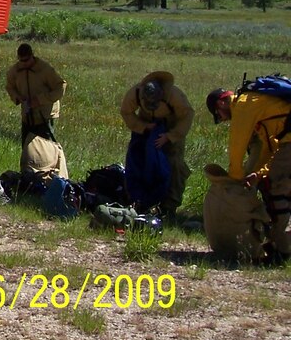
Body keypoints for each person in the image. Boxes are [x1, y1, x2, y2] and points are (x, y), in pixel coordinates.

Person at [207, 87, 289, 261]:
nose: (222, 119)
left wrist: (235, 181)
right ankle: (278, 243)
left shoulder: (243, 107)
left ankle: (283, 252)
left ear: (221, 103)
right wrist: (258, 175)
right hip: (286, 143)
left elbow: (237, 147)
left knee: (276, 188)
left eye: (219, 115)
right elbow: (269, 149)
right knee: (270, 182)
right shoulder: (255, 107)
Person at [119, 71, 194, 217]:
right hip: (145, 128)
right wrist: (142, 126)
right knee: (136, 160)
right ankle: (138, 200)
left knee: (175, 165)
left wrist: (170, 136)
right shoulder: (135, 93)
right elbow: (126, 112)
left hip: (172, 130)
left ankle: (169, 206)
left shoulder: (174, 96)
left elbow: (187, 115)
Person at [5, 43, 68, 178]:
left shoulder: (45, 69)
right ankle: (28, 177)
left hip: (44, 116)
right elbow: (10, 87)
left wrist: (41, 100)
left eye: (27, 60)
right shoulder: (15, 71)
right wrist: (18, 98)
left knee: (46, 149)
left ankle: (49, 177)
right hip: (27, 116)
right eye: (21, 61)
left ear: (32, 56)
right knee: (27, 148)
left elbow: (60, 87)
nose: (24, 64)